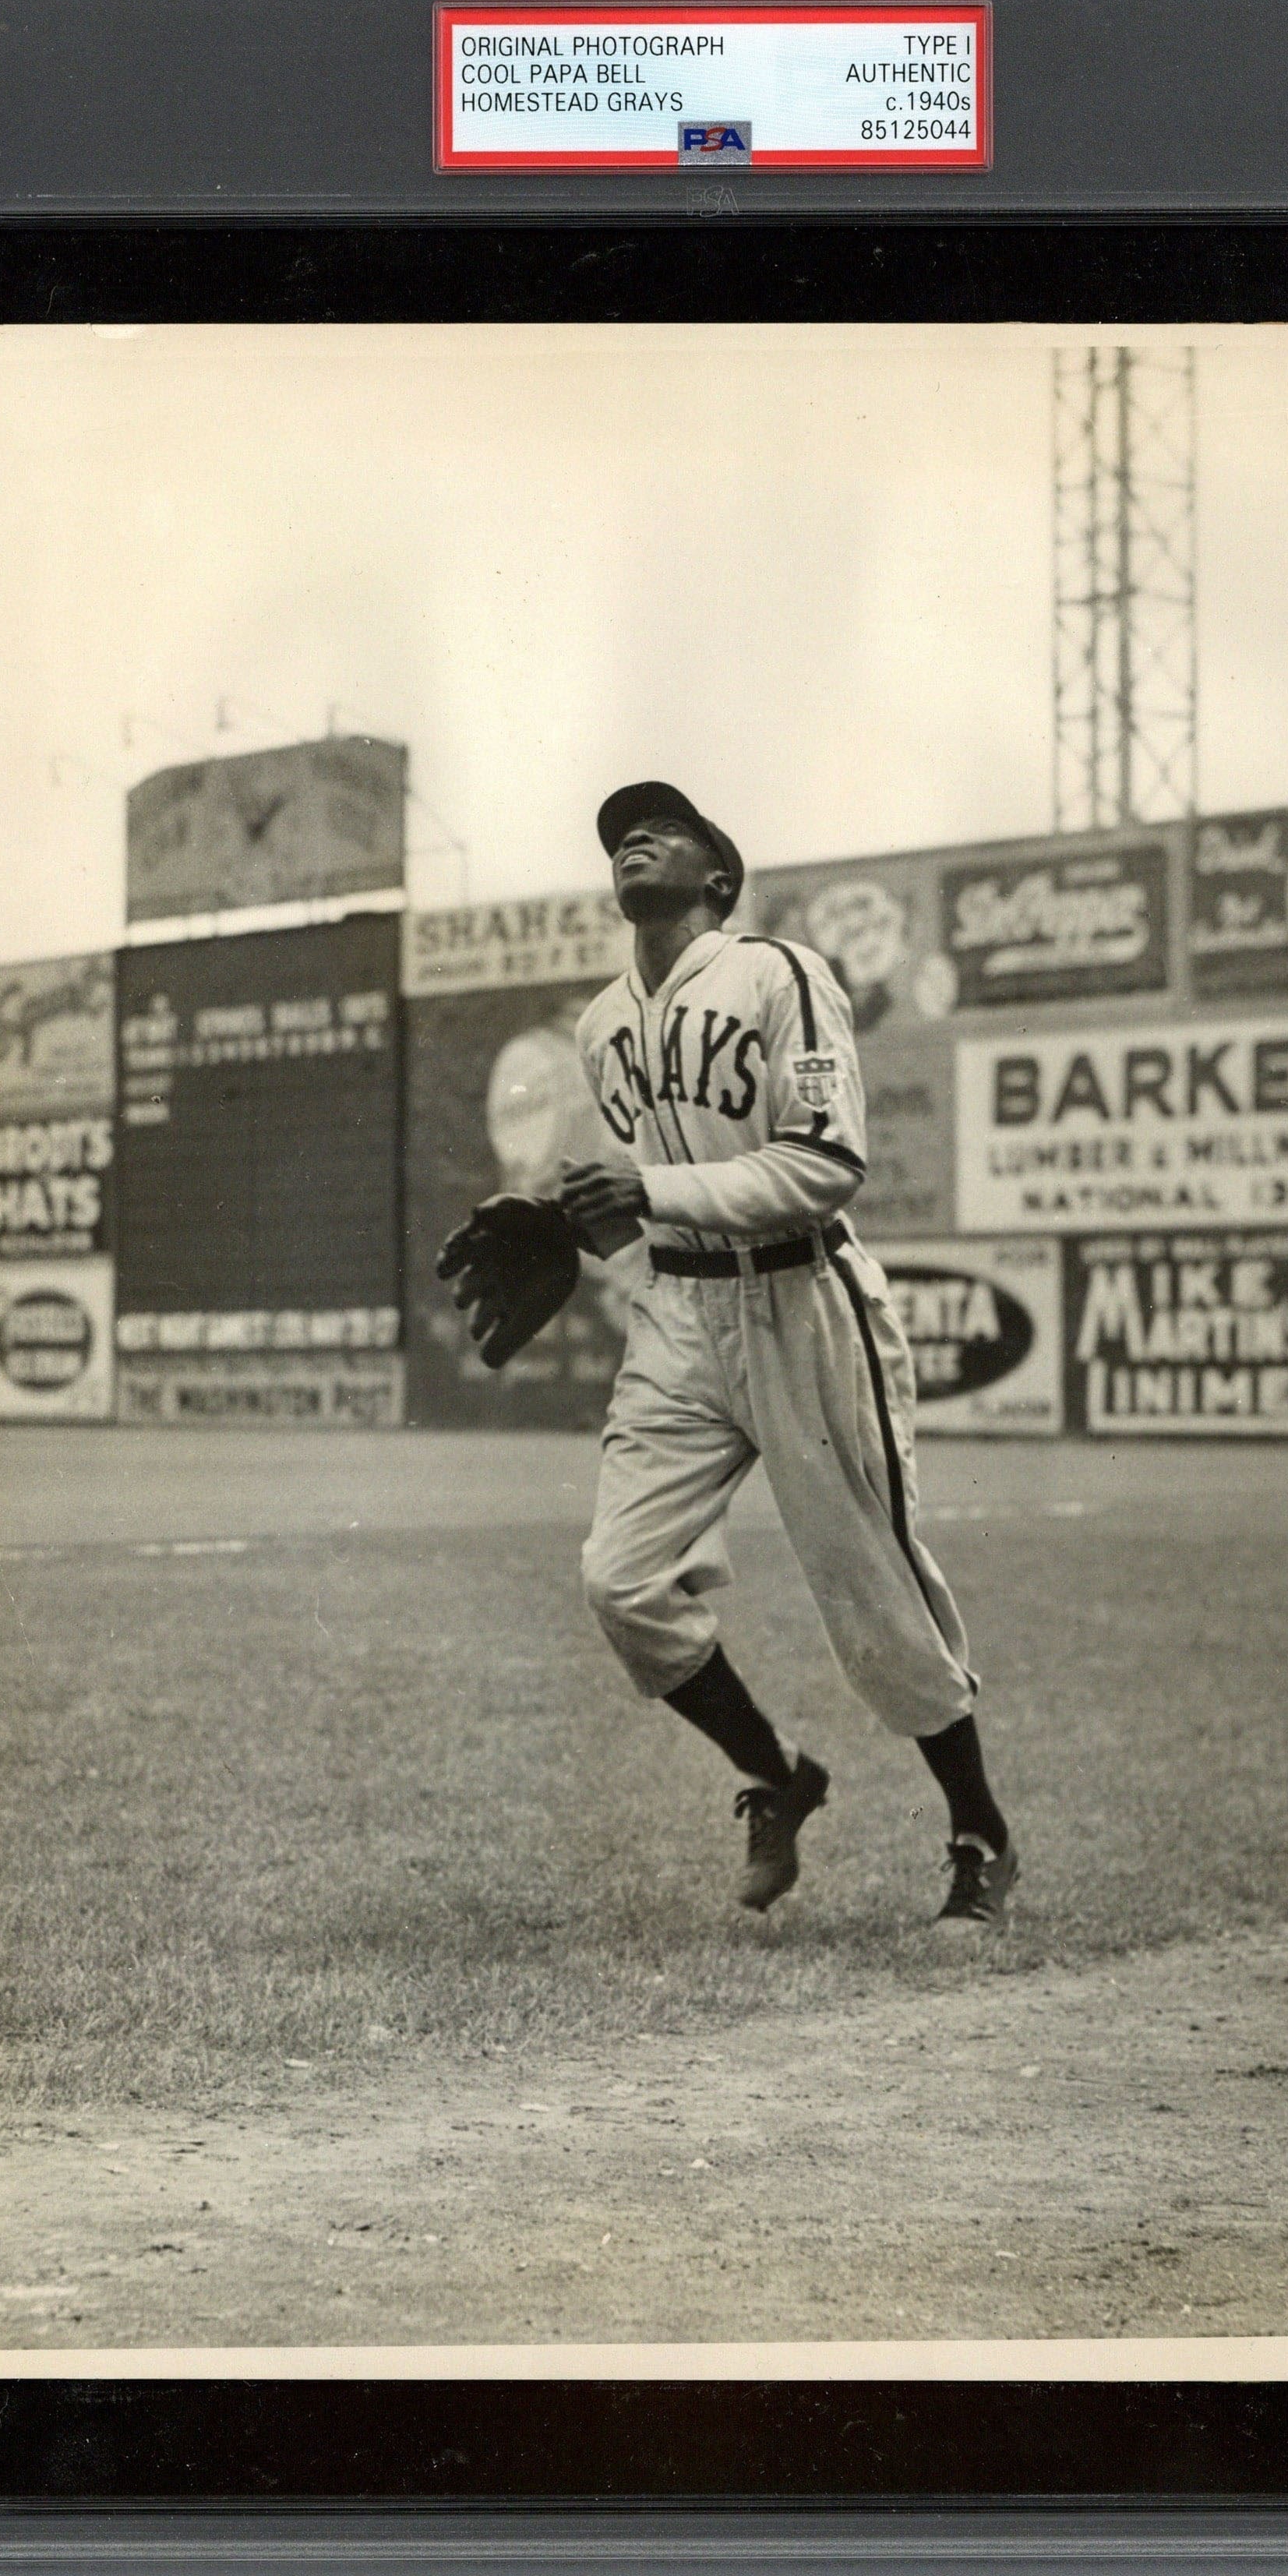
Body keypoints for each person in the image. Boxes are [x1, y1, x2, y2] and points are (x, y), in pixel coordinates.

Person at [560, 781, 1017, 1931]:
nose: (633, 840)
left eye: (664, 828)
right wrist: (560, 1225)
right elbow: (629, 1194)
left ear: (720, 876)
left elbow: (826, 1163)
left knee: (870, 1585)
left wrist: (649, 1192)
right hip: (679, 1312)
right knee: (622, 1580)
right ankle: (777, 1775)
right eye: (619, 835)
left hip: (802, 1297)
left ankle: (979, 1831)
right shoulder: (601, 1025)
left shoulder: (780, 974)